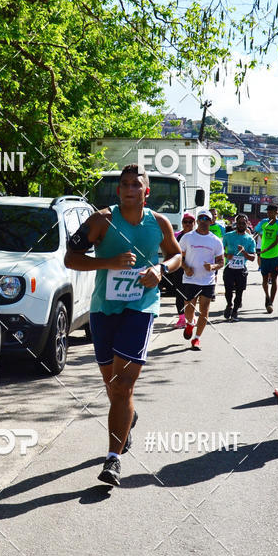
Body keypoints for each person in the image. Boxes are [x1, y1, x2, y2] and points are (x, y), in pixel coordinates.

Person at [64, 164, 182, 486]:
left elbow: (177, 256)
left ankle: (112, 460)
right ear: (119, 191)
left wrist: (160, 269)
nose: (130, 189)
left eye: (136, 185)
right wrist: (108, 262)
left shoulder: (158, 223)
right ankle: (127, 417)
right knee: (113, 387)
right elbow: (70, 258)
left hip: (141, 307)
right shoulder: (101, 220)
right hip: (103, 309)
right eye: (125, 184)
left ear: (146, 191)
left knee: (122, 386)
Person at [179, 209, 224, 350]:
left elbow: (221, 262)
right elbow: (179, 256)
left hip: (207, 281)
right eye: (201, 218)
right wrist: (186, 267)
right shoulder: (187, 237)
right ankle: (190, 323)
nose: (204, 221)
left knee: (204, 310)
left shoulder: (216, 241)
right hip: (190, 279)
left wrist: (213, 266)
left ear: (211, 222)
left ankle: (197, 339)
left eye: (207, 219)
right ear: (197, 221)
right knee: (189, 309)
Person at [222, 213, 257, 321]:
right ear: (235, 224)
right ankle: (229, 305)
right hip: (229, 267)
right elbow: (220, 250)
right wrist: (226, 255)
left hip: (241, 269)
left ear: (247, 224)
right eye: (239, 223)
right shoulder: (228, 236)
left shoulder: (250, 239)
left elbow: (252, 257)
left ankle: (235, 311)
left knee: (239, 291)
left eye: (243, 223)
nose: (241, 225)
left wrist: (245, 252)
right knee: (228, 290)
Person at [255, 203, 278, 313]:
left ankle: (271, 301)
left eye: (271, 211)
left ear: (276, 212)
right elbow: (256, 232)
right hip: (264, 256)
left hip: (275, 255)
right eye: (268, 211)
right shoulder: (263, 222)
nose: (269, 213)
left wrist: (267, 249)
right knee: (264, 279)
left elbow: (277, 240)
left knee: (274, 279)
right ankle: (267, 297)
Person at [172, 212, 195, 328]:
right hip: (180, 268)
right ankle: (181, 318)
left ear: (194, 223)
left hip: (193, 269)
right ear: (182, 223)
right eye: (185, 222)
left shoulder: (197, 236)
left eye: (190, 222)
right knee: (180, 293)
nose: (188, 224)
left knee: (191, 294)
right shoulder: (176, 235)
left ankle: (191, 316)